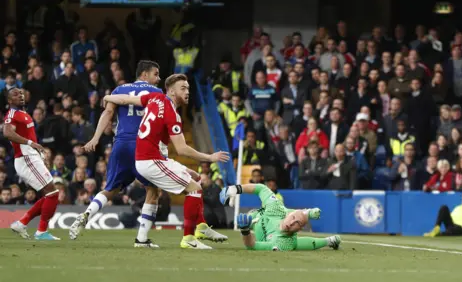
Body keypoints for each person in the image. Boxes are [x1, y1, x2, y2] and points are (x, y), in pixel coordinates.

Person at [71, 61, 224, 247]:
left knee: (111, 189)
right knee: (154, 191)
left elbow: (110, 111)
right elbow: (180, 147)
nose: (158, 79)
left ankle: (87, 213)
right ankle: (146, 238)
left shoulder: (121, 90)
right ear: (144, 75)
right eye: (156, 74)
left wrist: (96, 136)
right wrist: (209, 157)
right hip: (145, 149)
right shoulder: (159, 95)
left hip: (120, 144)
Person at [6, 88, 60, 240]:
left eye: (21, 93)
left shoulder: (23, 113)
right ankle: (41, 231)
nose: (20, 96)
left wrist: (39, 154)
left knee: (50, 194)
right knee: (52, 194)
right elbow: (7, 133)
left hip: (31, 157)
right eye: (16, 95)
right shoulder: (12, 114)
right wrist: (30, 143)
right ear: (10, 101)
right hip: (25, 158)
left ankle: (22, 223)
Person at [220, 183, 341, 251]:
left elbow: (252, 246)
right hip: (260, 217)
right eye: (292, 218)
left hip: (265, 234)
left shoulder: (284, 242)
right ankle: (310, 213)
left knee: (300, 245)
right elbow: (261, 188)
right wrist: (235, 188)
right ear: (289, 213)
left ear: (299, 230)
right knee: (249, 217)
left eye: (297, 224)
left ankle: (329, 241)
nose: (292, 223)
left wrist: (245, 231)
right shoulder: (276, 207)